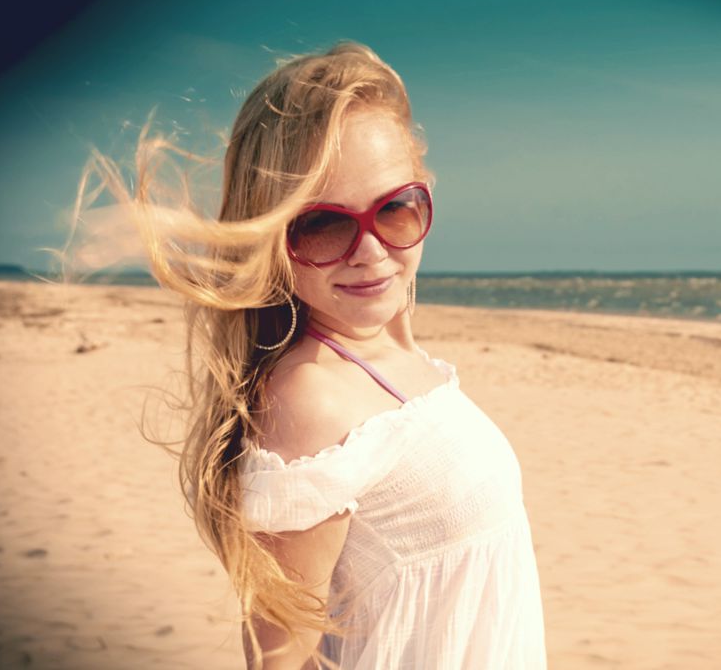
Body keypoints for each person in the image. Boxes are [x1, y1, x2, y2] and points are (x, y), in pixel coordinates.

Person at [95, 42, 547, 669]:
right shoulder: (312, 398)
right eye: (323, 225)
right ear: (272, 237)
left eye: (395, 208)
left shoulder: (399, 361)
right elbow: (280, 661)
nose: (368, 250)